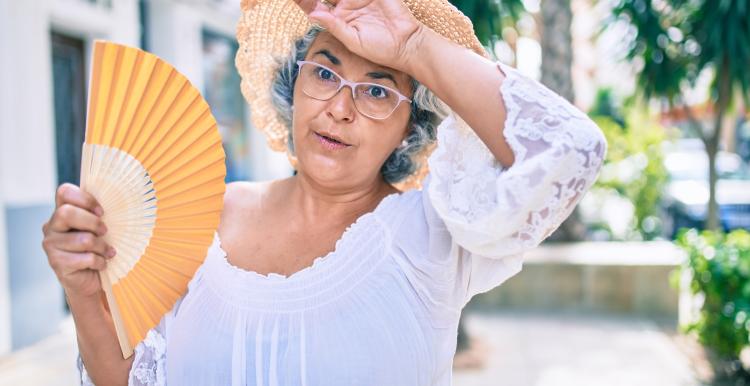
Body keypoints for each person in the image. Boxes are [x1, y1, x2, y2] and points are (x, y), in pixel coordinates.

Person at [41, 0, 607, 384]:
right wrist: (87, 292)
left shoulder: (432, 235)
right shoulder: (203, 217)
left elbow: (570, 149)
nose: (340, 107)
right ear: (296, 81)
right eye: (325, 72)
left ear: (411, 128)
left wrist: (410, 46)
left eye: (378, 91)